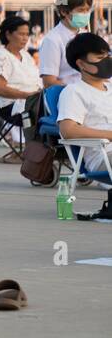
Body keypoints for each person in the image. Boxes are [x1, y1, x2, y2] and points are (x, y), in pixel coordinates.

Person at [56, 33, 112, 217]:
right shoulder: (73, 92)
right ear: (81, 63)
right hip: (102, 156)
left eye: (107, 55)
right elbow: (68, 130)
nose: (106, 61)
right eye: (99, 57)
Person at [0, 15, 43, 151]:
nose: (25, 38)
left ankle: (47, 149)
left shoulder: (26, 55)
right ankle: (35, 150)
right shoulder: (1, 56)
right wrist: (28, 95)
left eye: (27, 34)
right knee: (46, 111)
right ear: (8, 34)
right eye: (21, 34)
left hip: (32, 99)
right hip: (10, 105)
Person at [40, 0, 93, 88]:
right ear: (64, 12)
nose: (86, 14)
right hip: (68, 97)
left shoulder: (87, 36)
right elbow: (49, 82)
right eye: (81, 10)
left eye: (87, 10)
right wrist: (79, 89)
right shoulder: (52, 40)